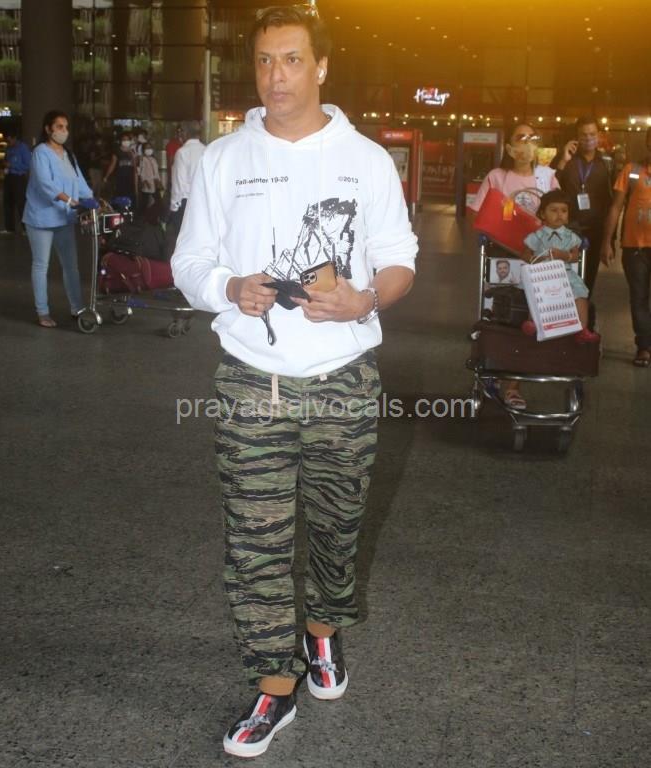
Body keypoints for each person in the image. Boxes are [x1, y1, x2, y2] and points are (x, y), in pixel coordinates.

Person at [171, 5, 417, 758]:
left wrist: (365, 300)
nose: (276, 76)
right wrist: (228, 287)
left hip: (344, 379)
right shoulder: (222, 159)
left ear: (321, 66)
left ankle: (322, 629)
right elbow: (189, 262)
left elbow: (400, 258)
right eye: (264, 60)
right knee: (256, 539)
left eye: (291, 59)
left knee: (338, 527)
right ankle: (274, 686)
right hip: (252, 380)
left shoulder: (366, 160)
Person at [469, 123, 559, 410]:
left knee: (528, 319)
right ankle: (493, 369)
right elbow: (477, 213)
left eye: (533, 138)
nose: (528, 143)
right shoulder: (497, 177)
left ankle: (513, 386)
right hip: (502, 257)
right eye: (521, 138)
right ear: (509, 147)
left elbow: (560, 212)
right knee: (501, 315)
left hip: (538, 257)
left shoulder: (547, 177)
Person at [22, 110, 94, 328]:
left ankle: (77, 307)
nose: (64, 131)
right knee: (41, 265)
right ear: (48, 129)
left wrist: (93, 200)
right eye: (59, 126)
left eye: (66, 127)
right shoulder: (40, 153)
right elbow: (45, 184)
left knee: (71, 266)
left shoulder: (68, 155)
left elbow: (80, 182)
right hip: (41, 219)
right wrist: (70, 200)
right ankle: (42, 312)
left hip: (64, 219)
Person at [600, 127, 651, 367]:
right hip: (634, 248)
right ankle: (644, 347)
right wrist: (606, 242)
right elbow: (615, 207)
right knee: (638, 298)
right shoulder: (631, 171)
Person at [520, 190, 599, 343]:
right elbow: (524, 254)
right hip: (542, 273)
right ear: (542, 214)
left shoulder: (571, 236)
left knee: (581, 294)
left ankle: (582, 328)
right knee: (536, 292)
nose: (559, 215)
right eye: (554, 210)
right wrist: (535, 259)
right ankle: (533, 322)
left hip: (565, 273)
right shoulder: (537, 236)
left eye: (564, 211)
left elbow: (575, 256)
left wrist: (565, 256)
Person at [552, 116, 613, 294]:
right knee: (564, 278)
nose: (588, 138)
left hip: (595, 231)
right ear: (577, 136)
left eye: (592, 134)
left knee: (587, 282)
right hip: (567, 229)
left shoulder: (607, 163)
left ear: (599, 135)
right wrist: (563, 160)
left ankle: (584, 311)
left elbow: (612, 202)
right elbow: (549, 186)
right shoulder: (566, 158)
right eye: (584, 134)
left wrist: (609, 241)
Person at [169, 120, 205, 225]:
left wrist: (174, 206)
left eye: (181, 131)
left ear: (185, 133)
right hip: (203, 201)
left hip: (186, 202)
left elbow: (179, 183)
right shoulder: (207, 150)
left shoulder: (182, 152)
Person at [0, 130, 31, 234]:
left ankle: (26, 228)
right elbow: (6, 160)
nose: (9, 143)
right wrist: (5, 164)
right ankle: (9, 228)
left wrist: (12, 165)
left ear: (15, 138)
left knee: (21, 203)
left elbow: (27, 165)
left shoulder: (23, 148)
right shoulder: (9, 148)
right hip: (9, 176)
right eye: (7, 141)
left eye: (10, 140)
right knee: (7, 202)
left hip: (19, 178)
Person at [103, 132, 137, 208]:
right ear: (121, 141)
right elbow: (113, 164)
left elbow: (135, 167)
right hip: (120, 178)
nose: (126, 141)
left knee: (130, 196)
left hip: (130, 178)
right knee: (120, 195)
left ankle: (129, 211)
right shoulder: (117, 151)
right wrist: (106, 176)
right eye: (124, 140)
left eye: (127, 140)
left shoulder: (132, 152)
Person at [138, 142, 162, 213]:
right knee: (145, 203)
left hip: (154, 183)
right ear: (143, 150)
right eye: (147, 148)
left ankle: (154, 216)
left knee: (158, 202)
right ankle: (142, 216)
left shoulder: (153, 159)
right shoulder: (142, 159)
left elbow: (156, 172)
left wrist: (159, 181)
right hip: (147, 183)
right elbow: (141, 172)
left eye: (150, 147)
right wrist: (145, 181)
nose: (149, 149)